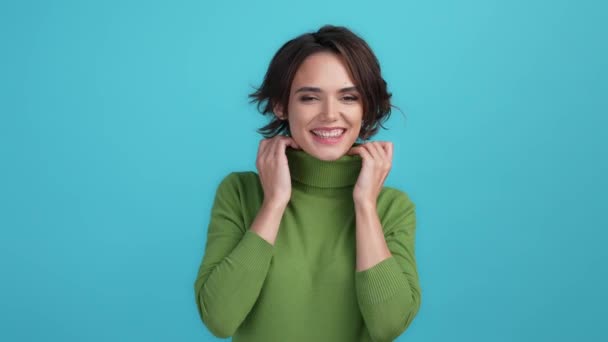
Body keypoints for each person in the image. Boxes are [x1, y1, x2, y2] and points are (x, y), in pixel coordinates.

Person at [193, 24, 421, 342]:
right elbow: (218, 319)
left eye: (348, 97)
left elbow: (388, 327)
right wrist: (274, 202)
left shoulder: (391, 207)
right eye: (310, 97)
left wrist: (366, 206)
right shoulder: (240, 193)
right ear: (281, 105)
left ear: (365, 107)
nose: (330, 114)